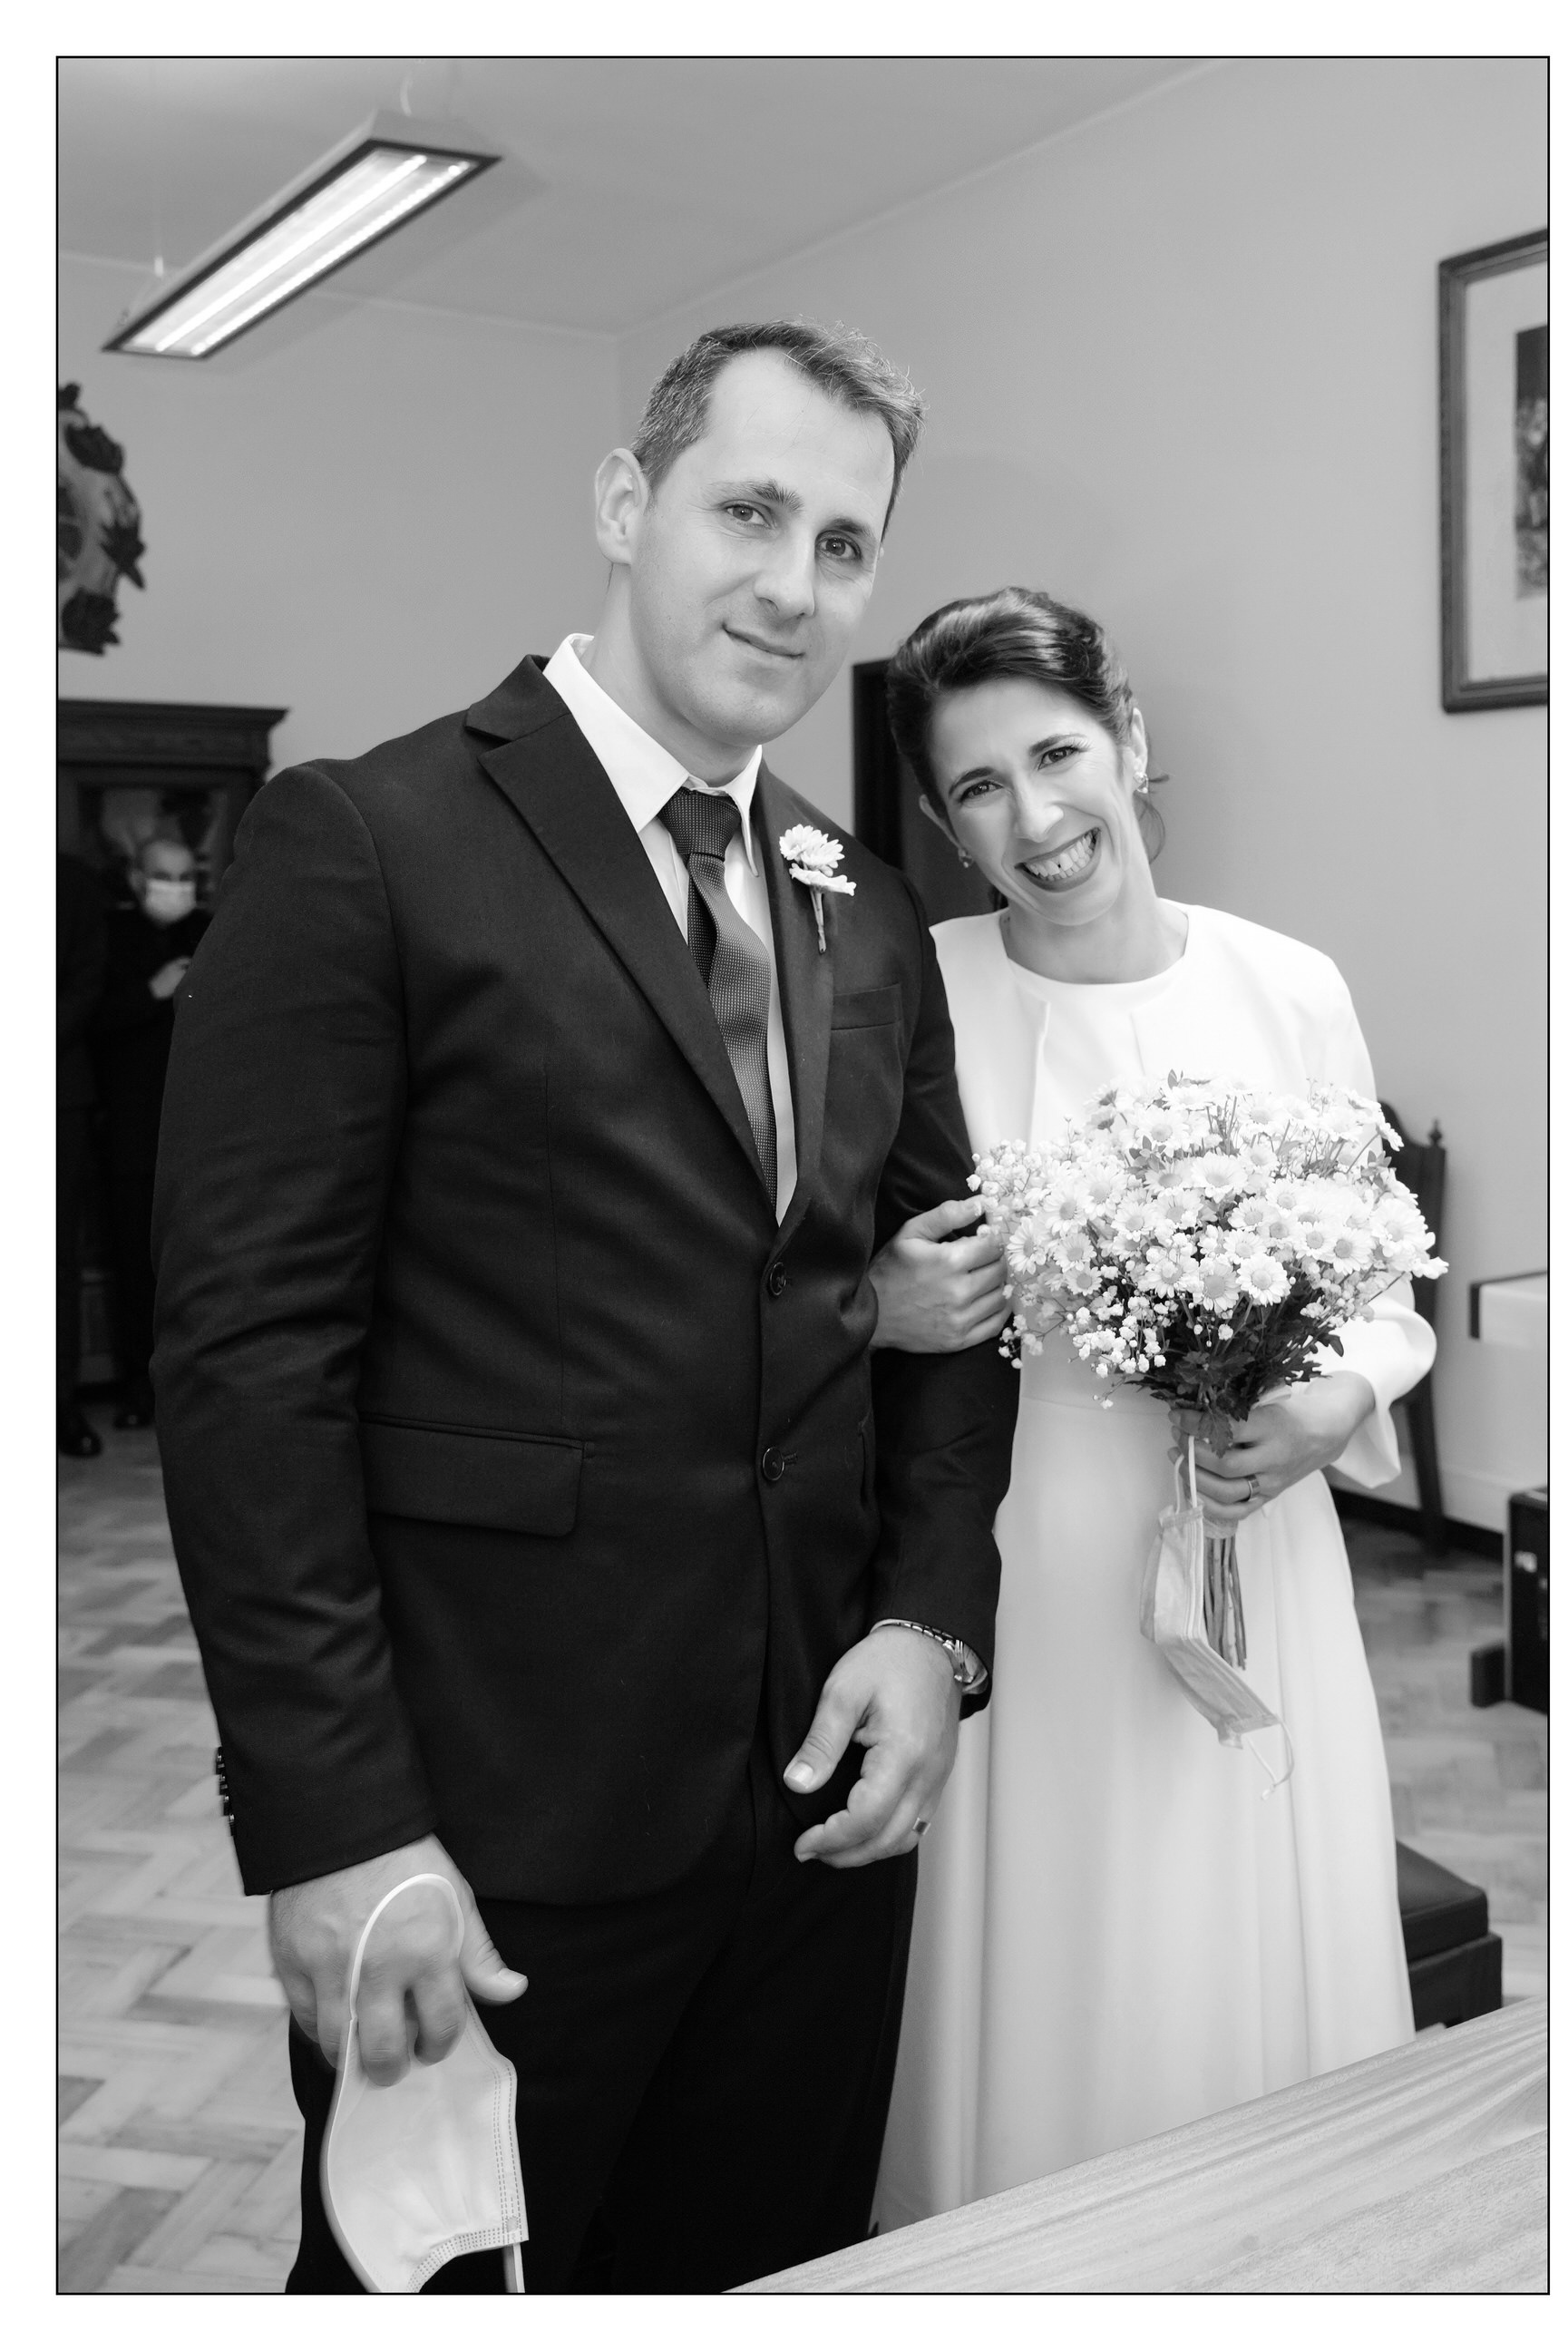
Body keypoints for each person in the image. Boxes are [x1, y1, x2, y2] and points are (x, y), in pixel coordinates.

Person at [151, 322, 1018, 2293]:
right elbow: (251, 1367)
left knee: (765, 2274)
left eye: (845, 544)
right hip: (491, 1819)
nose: (793, 584)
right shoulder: (370, 841)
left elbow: (953, 1295)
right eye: (749, 512)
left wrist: (929, 1621)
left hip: (816, 1802)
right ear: (627, 505)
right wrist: (332, 1823)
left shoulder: (865, 900)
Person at [867, 588, 1429, 2225]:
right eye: (979, 787)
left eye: (1057, 755)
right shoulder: (913, 994)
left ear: (1127, 740)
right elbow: (833, 1268)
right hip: (1019, 1546)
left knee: (1233, 1894)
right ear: (943, 824)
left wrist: (1334, 1397)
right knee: (1056, 1917)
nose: (1034, 818)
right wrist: (885, 1297)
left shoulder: (1287, 984)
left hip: (1255, 1532)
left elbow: (1380, 1279)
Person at [93, 832, 209, 1429]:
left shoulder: (211, 930)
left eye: (186, 877)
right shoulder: (110, 935)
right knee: (135, 1262)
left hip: (203, 1127)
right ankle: (139, 1389)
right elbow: (88, 1018)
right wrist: (152, 992)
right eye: (165, 876)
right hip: (132, 1125)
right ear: (139, 879)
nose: (176, 888)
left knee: (201, 1261)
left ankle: (199, 1386)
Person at [58, 852, 108, 1458]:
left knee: (54, 1259)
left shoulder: (71, 883)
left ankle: (58, 1402)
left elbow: (87, 982)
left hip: (55, 1093)